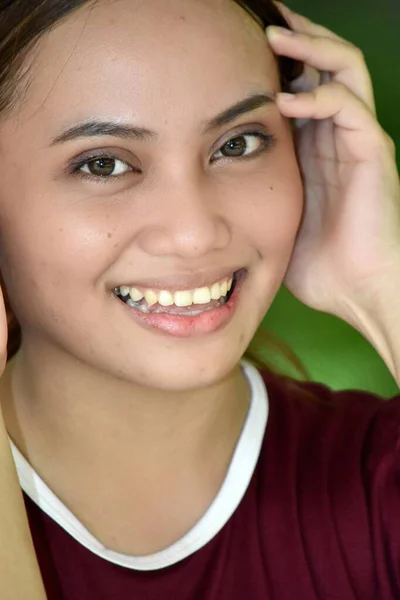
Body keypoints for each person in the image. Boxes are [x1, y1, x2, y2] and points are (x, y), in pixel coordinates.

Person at [0, 0, 399, 598]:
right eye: (104, 164)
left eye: (237, 144)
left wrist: (381, 282)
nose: (194, 233)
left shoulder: (375, 479)